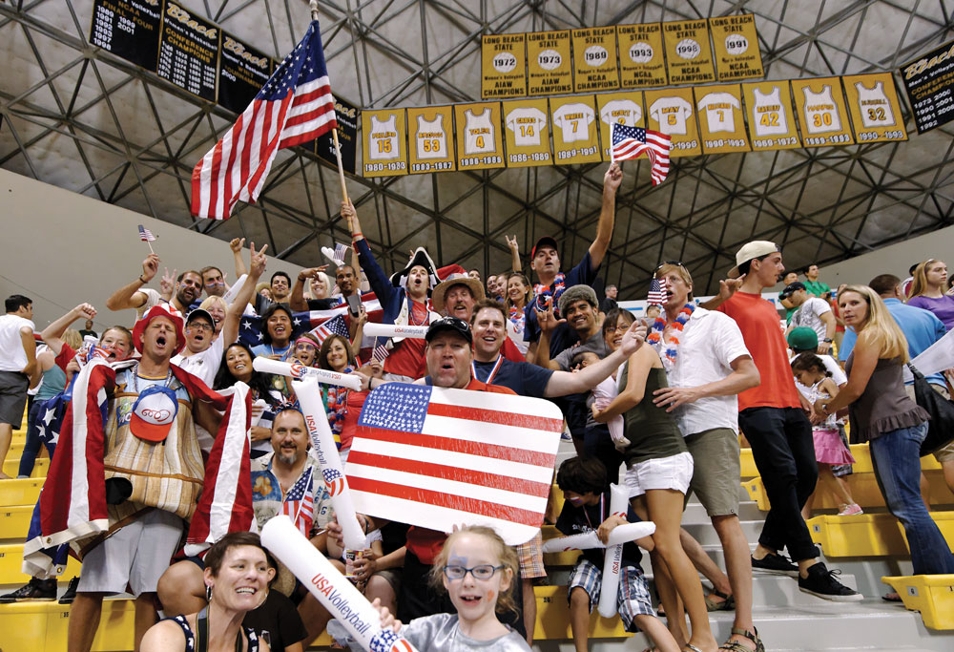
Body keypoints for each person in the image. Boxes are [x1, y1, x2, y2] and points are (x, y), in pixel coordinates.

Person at [709, 241, 860, 602]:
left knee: (807, 474)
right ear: (755, 263)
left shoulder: (768, 305)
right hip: (754, 403)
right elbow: (692, 316)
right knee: (784, 476)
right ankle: (810, 564)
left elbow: (776, 359)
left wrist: (799, 398)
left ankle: (766, 549)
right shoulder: (727, 305)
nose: (782, 267)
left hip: (788, 401)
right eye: (775, 261)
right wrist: (725, 288)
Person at [647, 261, 763, 652]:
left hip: (709, 426)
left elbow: (750, 376)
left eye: (674, 279)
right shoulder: (652, 334)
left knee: (726, 520)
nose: (666, 286)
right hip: (665, 436)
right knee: (658, 529)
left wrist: (692, 393)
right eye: (660, 282)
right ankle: (679, 634)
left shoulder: (714, 322)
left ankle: (745, 628)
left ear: (689, 286)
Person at [591, 308, 719, 652]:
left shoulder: (643, 353)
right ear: (604, 338)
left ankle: (704, 637)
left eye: (624, 326)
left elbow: (633, 397)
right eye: (611, 330)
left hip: (663, 456)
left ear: (639, 330)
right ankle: (676, 638)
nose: (619, 333)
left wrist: (603, 412)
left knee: (667, 544)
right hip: (638, 462)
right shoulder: (618, 368)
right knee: (658, 552)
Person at [814, 285, 954, 578]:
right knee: (907, 504)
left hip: (894, 424)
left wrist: (826, 408)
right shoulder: (877, 333)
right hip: (895, 422)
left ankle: (936, 575)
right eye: (843, 304)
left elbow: (854, 389)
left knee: (907, 505)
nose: (847, 308)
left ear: (871, 304)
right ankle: (939, 570)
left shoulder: (871, 335)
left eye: (855, 302)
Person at [841, 274, 954, 496]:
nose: (848, 308)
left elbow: (849, 365)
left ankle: (925, 516)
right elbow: (947, 354)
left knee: (910, 462)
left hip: (892, 397)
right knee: (949, 455)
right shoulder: (925, 315)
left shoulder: (863, 327)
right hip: (933, 388)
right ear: (898, 290)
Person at [555, 456, 678, 652]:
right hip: (592, 562)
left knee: (637, 609)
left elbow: (650, 544)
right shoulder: (572, 506)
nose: (565, 498)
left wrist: (620, 522)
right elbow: (565, 533)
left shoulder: (616, 503)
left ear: (588, 490)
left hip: (625, 563)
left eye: (569, 494)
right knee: (579, 593)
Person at [524, 163, 622, 363]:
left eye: (552, 253)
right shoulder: (532, 306)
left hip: (585, 366)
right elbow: (533, 349)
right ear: (533, 265)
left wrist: (609, 192)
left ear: (559, 261)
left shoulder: (576, 279)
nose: (548, 257)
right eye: (541, 255)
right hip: (552, 374)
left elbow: (602, 240)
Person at [374, 525, 531, 651]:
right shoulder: (429, 631)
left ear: (505, 579)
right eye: (457, 570)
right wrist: (375, 625)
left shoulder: (513, 648)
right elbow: (370, 642)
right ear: (445, 578)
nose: (468, 581)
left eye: (482, 571)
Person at [345, 200, 440, 381]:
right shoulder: (394, 298)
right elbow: (372, 267)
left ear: (429, 284)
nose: (417, 275)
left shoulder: (437, 317)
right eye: (413, 272)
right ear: (407, 282)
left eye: (422, 273)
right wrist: (356, 226)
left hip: (422, 382)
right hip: (387, 376)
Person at [141, 532, 273, 651]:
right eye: (240, 566)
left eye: (261, 568)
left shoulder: (257, 647)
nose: (253, 575)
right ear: (209, 576)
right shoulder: (168, 636)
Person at [787, 327, 856, 520]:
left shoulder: (823, 371)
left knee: (823, 470)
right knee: (819, 471)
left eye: (799, 376)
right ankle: (845, 506)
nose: (798, 379)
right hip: (815, 430)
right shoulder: (809, 367)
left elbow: (841, 396)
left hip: (824, 431)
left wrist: (822, 408)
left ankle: (847, 506)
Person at [0, 294, 38, 479]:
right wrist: (32, 361)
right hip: (14, 377)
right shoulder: (22, 323)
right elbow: (25, 332)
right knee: (5, 422)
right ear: (22, 308)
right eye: (30, 309)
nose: (31, 314)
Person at [106, 255, 203, 317]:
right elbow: (113, 304)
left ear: (199, 294)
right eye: (188, 282)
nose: (193, 286)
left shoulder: (189, 324)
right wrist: (144, 278)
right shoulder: (153, 298)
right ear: (177, 285)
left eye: (197, 285)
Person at [782, 282, 836, 355]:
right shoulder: (795, 314)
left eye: (790, 295)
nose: (789, 298)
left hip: (820, 348)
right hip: (804, 351)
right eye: (787, 297)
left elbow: (831, 320)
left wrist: (827, 341)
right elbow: (788, 334)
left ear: (801, 290)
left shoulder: (815, 302)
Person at [907, 259, 954, 330]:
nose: (944, 272)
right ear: (924, 275)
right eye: (938, 270)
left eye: (945, 269)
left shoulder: (951, 298)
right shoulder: (916, 302)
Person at [504, 272, 532, 354]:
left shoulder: (533, 312)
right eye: (510, 286)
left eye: (517, 284)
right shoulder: (503, 313)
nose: (513, 288)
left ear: (526, 289)